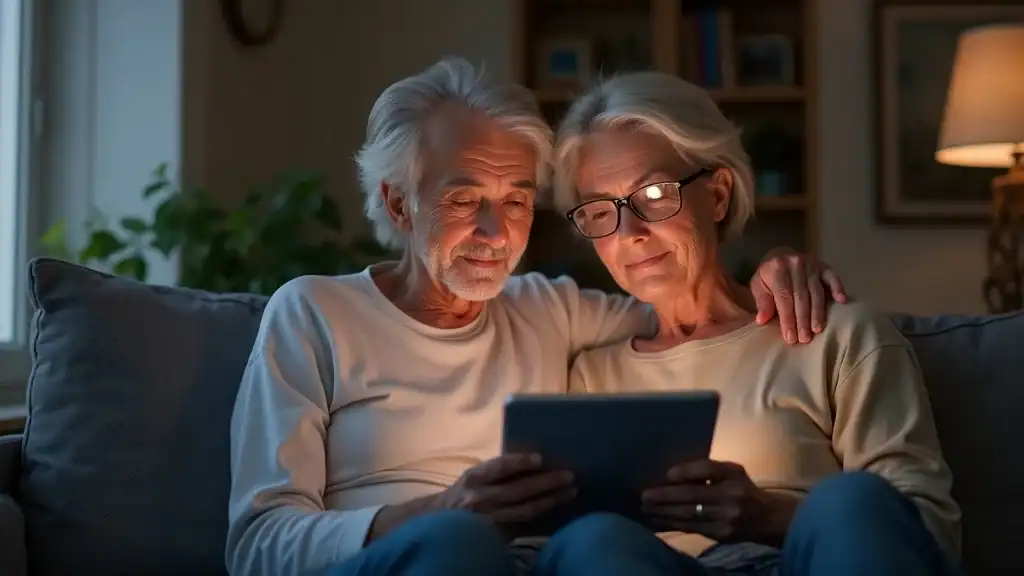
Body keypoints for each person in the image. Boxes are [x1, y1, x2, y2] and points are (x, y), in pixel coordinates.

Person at [225, 57, 848, 576]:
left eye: (517, 201)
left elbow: (689, 302)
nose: (496, 233)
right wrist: (438, 512)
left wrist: (777, 270)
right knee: (456, 543)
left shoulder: (549, 310)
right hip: (401, 559)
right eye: (465, 199)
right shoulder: (314, 313)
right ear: (399, 203)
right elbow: (257, 544)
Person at [534, 71, 959, 576]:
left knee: (851, 501)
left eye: (653, 195)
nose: (630, 233)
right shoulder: (589, 376)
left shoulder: (834, 334)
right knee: (592, 539)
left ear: (716, 195)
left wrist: (770, 515)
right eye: (601, 211)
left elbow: (928, 531)